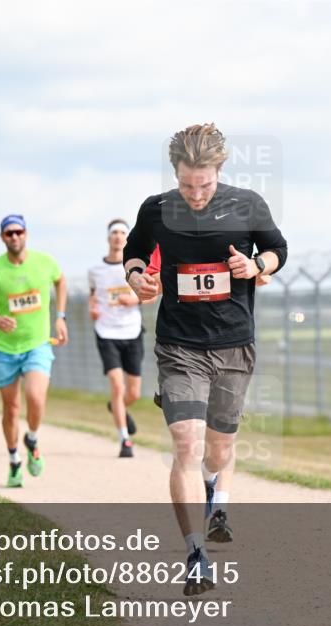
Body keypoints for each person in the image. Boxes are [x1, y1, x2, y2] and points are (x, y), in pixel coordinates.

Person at [124, 123, 287, 595]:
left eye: (205, 184)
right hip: (179, 345)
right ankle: (196, 555)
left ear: (219, 171)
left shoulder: (248, 204)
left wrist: (256, 266)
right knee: (186, 445)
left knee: (218, 449)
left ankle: (220, 498)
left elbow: (277, 249)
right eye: (186, 184)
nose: (196, 194)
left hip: (234, 342)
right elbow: (134, 254)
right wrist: (138, 279)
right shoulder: (155, 210)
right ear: (175, 173)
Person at [143, 245, 272, 543]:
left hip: (230, 348)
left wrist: (250, 268)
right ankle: (205, 533)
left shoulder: (233, 236)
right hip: (182, 351)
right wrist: (169, 279)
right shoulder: (167, 241)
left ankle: (214, 490)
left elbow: (264, 277)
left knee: (221, 444)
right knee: (188, 441)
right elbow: (148, 291)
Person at [0, 214, 68, 488]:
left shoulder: (44, 262)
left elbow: (61, 281)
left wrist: (60, 316)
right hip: (3, 348)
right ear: (2, 237)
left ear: (26, 233)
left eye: (19, 232)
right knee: (11, 409)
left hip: (37, 344)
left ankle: (33, 439)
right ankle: (14, 461)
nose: (15, 237)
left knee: (36, 398)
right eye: (9, 233)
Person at [88, 219, 144, 458]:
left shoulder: (136, 267)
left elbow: (149, 294)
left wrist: (135, 299)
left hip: (132, 331)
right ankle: (125, 440)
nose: (118, 237)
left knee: (132, 393)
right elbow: (93, 297)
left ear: (127, 238)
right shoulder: (95, 271)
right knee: (117, 385)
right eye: (114, 233)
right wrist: (92, 308)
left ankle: (116, 406)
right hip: (106, 332)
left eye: (123, 232)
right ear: (108, 238)